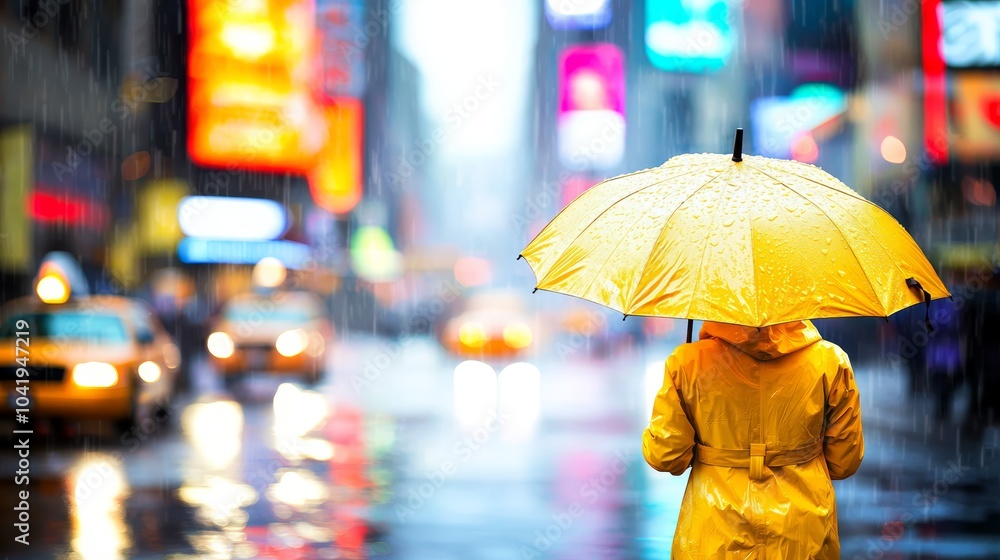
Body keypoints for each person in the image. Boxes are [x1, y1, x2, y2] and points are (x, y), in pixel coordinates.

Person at [642, 320, 864, 559]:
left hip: (714, 532)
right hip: (804, 532)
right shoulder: (830, 360)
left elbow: (666, 456)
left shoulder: (687, 362)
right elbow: (844, 462)